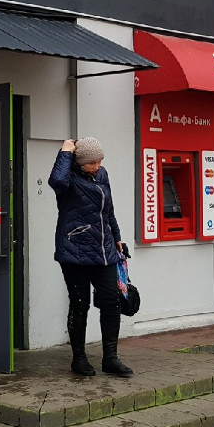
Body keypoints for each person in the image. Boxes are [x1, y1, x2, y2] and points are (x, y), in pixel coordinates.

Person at [49, 137, 133, 378]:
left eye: (100, 161)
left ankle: (111, 358)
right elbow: (56, 181)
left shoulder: (102, 175)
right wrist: (65, 151)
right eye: (92, 162)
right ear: (79, 161)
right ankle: (79, 359)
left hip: (104, 250)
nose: (97, 166)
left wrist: (117, 237)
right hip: (74, 250)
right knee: (79, 304)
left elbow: (109, 211)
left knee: (111, 302)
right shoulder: (67, 178)